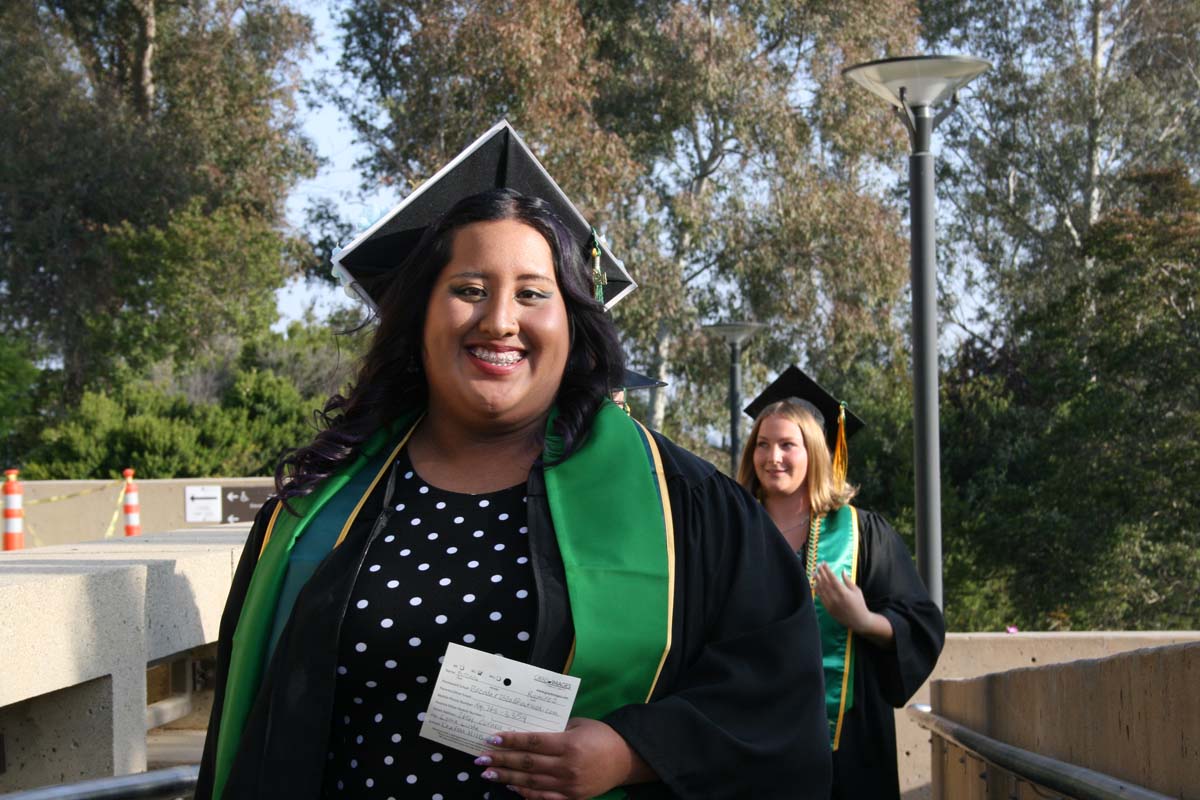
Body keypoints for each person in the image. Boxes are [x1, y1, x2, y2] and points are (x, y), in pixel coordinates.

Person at [195, 122, 831, 800]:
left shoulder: (683, 503)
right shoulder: (318, 512)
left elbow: (775, 689)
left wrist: (631, 748)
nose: (499, 320)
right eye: (469, 288)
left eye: (532, 293)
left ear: (572, 322)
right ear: (421, 315)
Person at [739, 365, 946, 800]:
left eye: (787, 445)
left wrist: (865, 619)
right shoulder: (733, 530)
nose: (772, 456)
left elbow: (922, 621)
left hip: (846, 739)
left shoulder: (862, 534)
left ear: (814, 452)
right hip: (747, 730)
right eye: (762, 444)